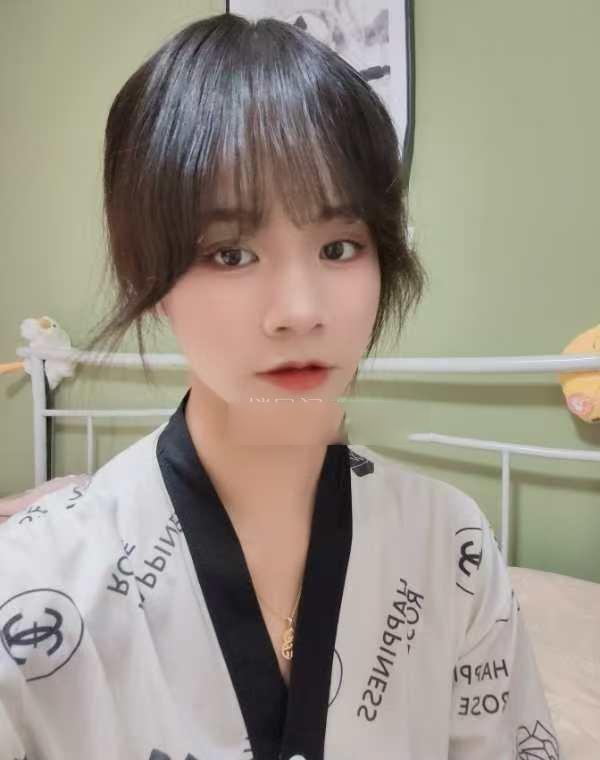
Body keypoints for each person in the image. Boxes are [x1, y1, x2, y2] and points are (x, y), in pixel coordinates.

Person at [0, 11, 561, 760]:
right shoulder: (34, 585)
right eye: (230, 254)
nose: (300, 311)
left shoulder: (450, 544)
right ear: (148, 276)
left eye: (340, 247)